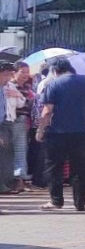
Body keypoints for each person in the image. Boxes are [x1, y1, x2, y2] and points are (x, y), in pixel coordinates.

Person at [36, 57, 85, 211]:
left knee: (54, 167)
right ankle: (80, 203)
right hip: (82, 132)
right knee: (81, 168)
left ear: (55, 71)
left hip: (58, 133)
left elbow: (47, 111)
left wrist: (40, 130)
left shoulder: (54, 84)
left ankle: (56, 201)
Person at [12, 62, 35, 190]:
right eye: (22, 72)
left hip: (23, 121)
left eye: (27, 72)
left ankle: (21, 178)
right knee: (14, 150)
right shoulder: (10, 86)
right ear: (14, 73)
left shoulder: (27, 87)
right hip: (12, 121)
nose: (25, 75)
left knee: (21, 150)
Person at [0, 63, 21, 196]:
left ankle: (5, 184)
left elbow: (23, 101)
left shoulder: (5, 88)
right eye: (5, 75)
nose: (8, 78)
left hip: (6, 123)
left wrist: (16, 95)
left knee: (6, 155)